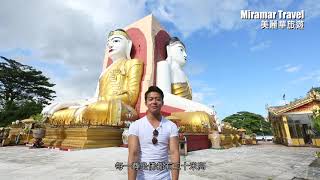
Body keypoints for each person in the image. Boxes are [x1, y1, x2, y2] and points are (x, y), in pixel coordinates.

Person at [42, 29, 144, 126]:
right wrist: (73, 102)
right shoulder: (104, 72)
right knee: (57, 112)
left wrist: (97, 101)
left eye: (116, 41)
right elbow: (94, 98)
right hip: (96, 106)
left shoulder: (132, 63)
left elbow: (131, 98)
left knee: (103, 108)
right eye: (108, 44)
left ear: (128, 44)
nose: (110, 45)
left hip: (119, 108)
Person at [128, 86, 180, 180]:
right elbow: (133, 154)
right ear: (146, 103)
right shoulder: (135, 126)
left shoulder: (171, 126)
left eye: (158, 99)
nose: (154, 102)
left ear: (162, 103)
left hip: (164, 177)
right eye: (150, 99)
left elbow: (174, 153)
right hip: (142, 177)